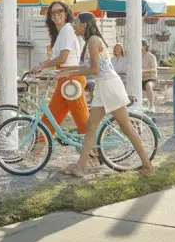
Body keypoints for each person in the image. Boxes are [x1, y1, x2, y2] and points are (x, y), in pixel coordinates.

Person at [57, 12, 153, 177]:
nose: (73, 26)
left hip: (109, 85)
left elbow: (94, 69)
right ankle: (80, 168)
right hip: (102, 86)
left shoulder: (93, 41)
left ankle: (148, 166)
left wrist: (68, 72)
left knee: (126, 127)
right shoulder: (89, 41)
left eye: (76, 23)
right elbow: (87, 68)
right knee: (90, 126)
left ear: (84, 25)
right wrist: (64, 71)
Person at [29, 0, 89, 135]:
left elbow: (63, 58)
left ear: (66, 14)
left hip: (71, 78)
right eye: (53, 12)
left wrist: (42, 66)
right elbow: (55, 58)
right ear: (50, 16)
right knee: (51, 116)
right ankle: (39, 146)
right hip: (65, 78)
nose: (56, 14)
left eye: (60, 11)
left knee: (81, 119)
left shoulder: (67, 29)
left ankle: (94, 146)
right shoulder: (61, 33)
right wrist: (39, 66)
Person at [141, 41, 160, 111]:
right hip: (140, 79)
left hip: (152, 79)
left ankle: (151, 106)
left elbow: (154, 69)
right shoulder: (137, 56)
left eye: (141, 45)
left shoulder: (151, 56)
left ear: (145, 46)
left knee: (148, 85)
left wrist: (144, 71)